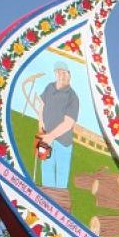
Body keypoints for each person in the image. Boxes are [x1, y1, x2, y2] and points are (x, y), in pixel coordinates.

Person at [33, 61, 79, 191]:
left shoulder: (72, 97)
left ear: (69, 75)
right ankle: (45, 203)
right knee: (46, 175)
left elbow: (68, 123)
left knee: (61, 179)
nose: (62, 76)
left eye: (64, 73)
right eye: (59, 73)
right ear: (55, 74)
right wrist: (41, 128)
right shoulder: (49, 88)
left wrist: (51, 136)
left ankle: (57, 208)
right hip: (46, 139)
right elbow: (41, 107)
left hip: (63, 142)